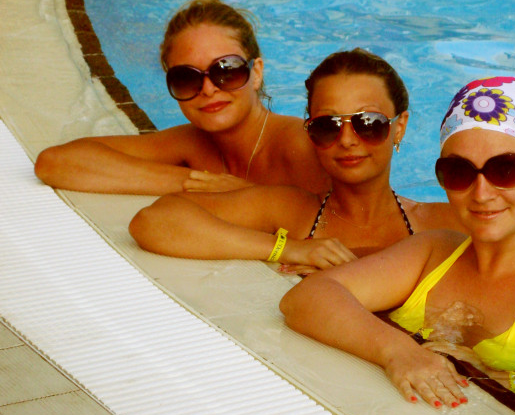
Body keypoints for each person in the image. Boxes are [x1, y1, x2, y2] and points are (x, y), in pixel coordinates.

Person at [280, 76, 515, 408]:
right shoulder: (432, 253)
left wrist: (491, 375)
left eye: (505, 169)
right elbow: (305, 299)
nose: (481, 193)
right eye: (458, 172)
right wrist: (400, 352)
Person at [129, 48, 464, 272]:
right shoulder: (291, 213)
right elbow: (154, 221)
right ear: (309, 131)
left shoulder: (441, 222)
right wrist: (287, 249)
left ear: (399, 127)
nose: (347, 140)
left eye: (368, 124)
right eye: (327, 126)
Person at [34, 0, 329, 195]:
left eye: (226, 70)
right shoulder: (192, 144)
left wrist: (246, 196)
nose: (208, 89)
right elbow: (56, 162)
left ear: (256, 73)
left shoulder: (300, 146)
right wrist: (198, 182)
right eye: (187, 78)